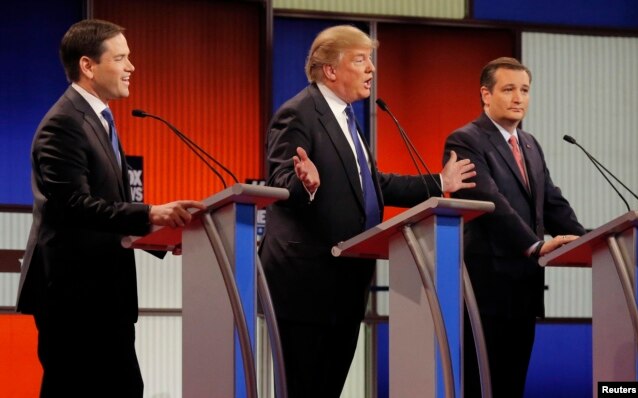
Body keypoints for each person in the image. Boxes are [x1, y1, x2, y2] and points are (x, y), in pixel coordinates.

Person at [259, 25, 476, 398]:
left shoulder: (345, 119)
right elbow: (282, 178)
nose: (371, 69)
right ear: (330, 70)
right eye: (360, 60)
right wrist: (305, 184)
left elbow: (375, 185)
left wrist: (438, 183)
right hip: (307, 286)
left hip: (345, 283)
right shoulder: (298, 113)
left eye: (370, 60)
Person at [15, 19, 205, 398]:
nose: (131, 67)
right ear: (88, 66)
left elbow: (109, 208)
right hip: (74, 298)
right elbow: (73, 206)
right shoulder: (64, 123)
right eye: (121, 58)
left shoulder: (98, 119)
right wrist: (151, 213)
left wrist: (158, 238)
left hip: (104, 296)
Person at [443, 57, 586, 398]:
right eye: (508, 89)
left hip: (525, 286)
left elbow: (552, 204)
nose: (518, 97)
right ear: (486, 95)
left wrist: (589, 241)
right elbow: (491, 203)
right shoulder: (465, 140)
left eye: (524, 90)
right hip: (486, 286)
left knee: (512, 385)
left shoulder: (530, 144)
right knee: (482, 386)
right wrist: (534, 246)